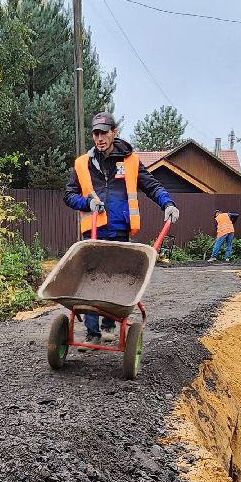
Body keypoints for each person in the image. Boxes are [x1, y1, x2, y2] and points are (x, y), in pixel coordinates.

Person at [63, 112, 180, 342]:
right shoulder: (82, 164)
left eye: (104, 132)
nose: (100, 138)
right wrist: (87, 202)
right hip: (94, 231)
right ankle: (92, 333)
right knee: (92, 280)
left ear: (114, 133)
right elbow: (68, 195)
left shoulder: (130, 161)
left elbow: (152, 186)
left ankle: (109, 326)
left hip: (120, 230)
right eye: (96, 133)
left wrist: (168, 203)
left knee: (116, 278)